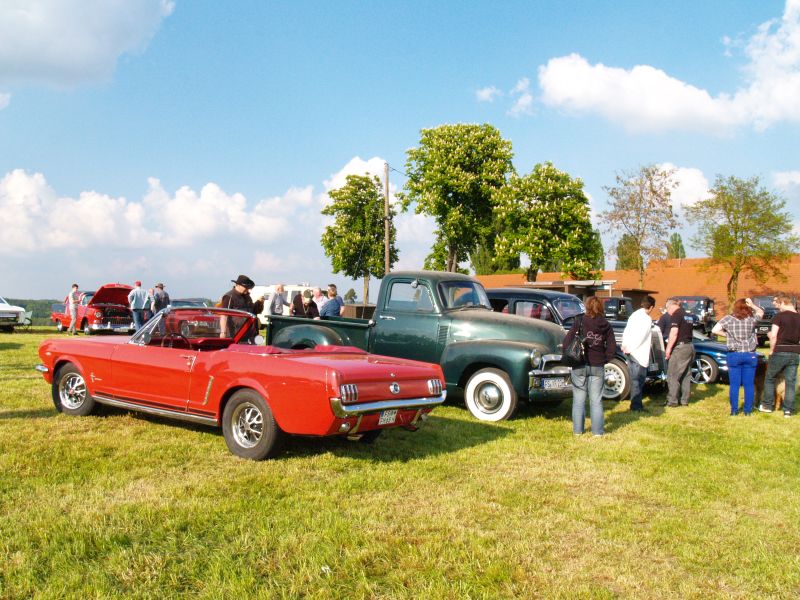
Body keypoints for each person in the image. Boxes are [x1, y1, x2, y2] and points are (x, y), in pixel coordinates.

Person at [563, 296, 617, 436]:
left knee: (578, 400)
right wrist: (605, 359)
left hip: (579, 364)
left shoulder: (580, 321)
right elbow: (612, 346)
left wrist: (569, 356)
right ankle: (597, 432)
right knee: (596, 401)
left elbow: (566, 342)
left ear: (586, 306)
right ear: (601, 307)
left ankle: (578, 431)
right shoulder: (606, 324)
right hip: (598, 365)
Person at [711, 298, 765, 415]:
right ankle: (747, 411)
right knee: (749, 384)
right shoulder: (751, 319)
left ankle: (734, 410)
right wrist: (753, 305)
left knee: (734, 385)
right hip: (750, 354)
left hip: (734, 354)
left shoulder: (728, 318)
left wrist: (727, 335)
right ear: (747, 307)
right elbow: (761, 312)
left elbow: (714, 330)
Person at [759, 294, 800, 417]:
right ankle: (788, 410)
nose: (777, 307)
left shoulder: (779, 316)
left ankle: (767, 405)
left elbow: (774, 336)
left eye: (777, 304)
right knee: (790, 382)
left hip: (780, 351)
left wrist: (772, 349)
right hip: (795, 352)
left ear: (783, 302)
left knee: (770, 378)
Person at [621, 295, 656, 412]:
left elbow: (626, 331)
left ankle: (636, 404)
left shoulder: (634, 315)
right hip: (638, 353)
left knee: (634, 380)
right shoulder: (646, 319)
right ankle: (636, 406)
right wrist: (630, 348)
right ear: (651, 307)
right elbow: (641, 337)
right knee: (638, 380)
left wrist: (625, 345)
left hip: (629, 351)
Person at [664, 297, 695, 407]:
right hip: (689, 346)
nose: (667, 311)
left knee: (672, 375)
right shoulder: (688, 315)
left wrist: (668, 349)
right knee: (686, 375)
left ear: (671, 306)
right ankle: (684, 400)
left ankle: (672, 401)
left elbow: (674, 332)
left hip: (680, 348)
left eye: (667, 308)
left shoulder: (676, 315)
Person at [218, 274, 266, 343]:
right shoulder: (229, 296)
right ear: (238, 285)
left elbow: (253, 312)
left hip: (250, 334)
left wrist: (259, 303)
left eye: (248, 287)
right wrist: (223, 332)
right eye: (245, 287)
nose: (247, 289)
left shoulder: (247, 297)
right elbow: (224, 315)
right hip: (236, 335)